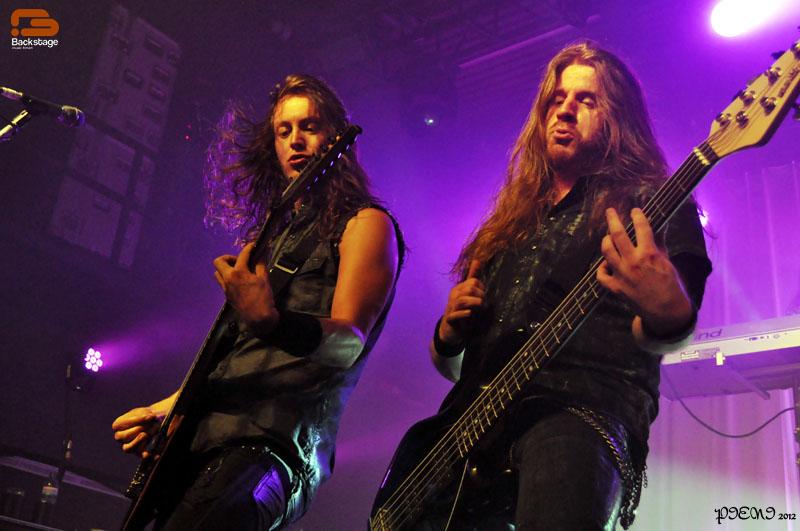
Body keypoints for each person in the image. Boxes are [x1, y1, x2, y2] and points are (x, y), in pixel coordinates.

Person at [424, 42, 711, 530]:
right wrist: (448, 336)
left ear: (618, 116)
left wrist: (670, 313)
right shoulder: (507, 227)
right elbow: (457, 371)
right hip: (469, 442)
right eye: (556, 99)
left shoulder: (653, 203)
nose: (565, 110)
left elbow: (675, 329)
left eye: (586, 100)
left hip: (581, 414)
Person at [112, 74, 403, 530]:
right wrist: (165, 409)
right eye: (283, 131)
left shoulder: (366, 223)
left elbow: (349, 343)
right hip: (203, 442)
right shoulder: (272, 237)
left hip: (271, 448)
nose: (295, 141)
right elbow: (237, 359)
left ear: (337, 138)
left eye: (309, 126)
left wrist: (272, 321)